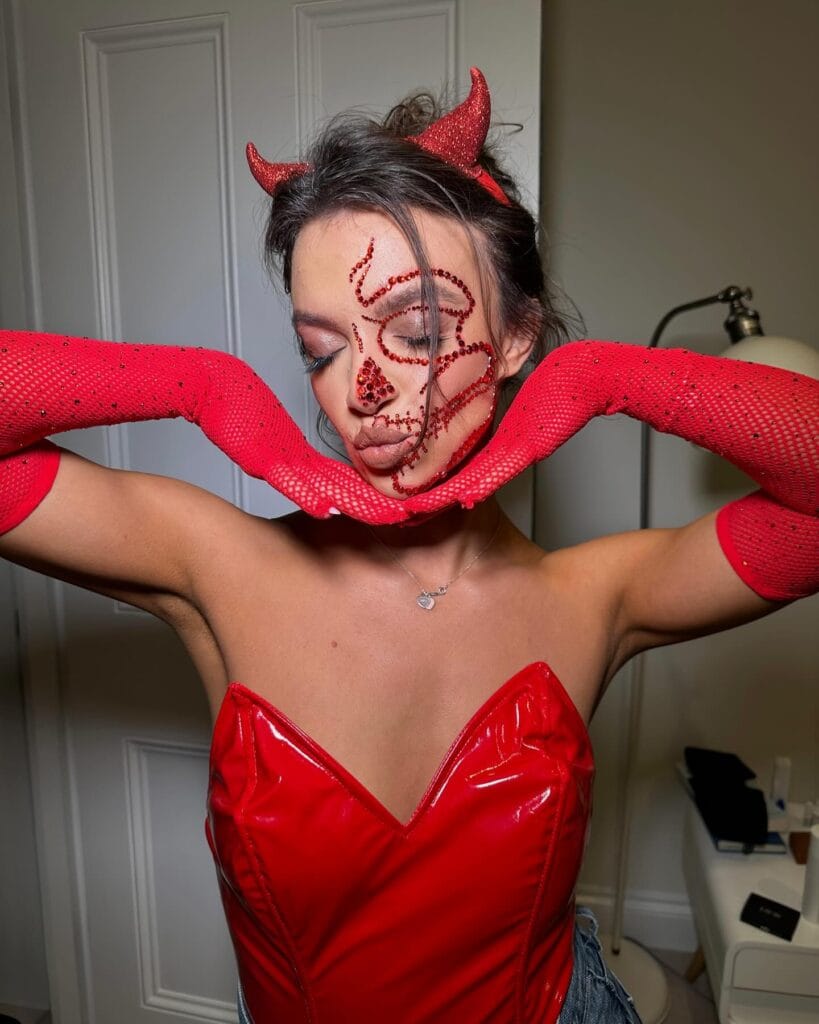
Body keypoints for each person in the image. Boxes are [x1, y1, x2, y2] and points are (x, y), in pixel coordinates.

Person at [0, 68, 816, 1024]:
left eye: (416, 327)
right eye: (322, 347)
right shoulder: (215, 567)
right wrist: (200, 384)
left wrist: (601, 377)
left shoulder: (597, 595)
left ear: (516, 335)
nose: (365, 388)